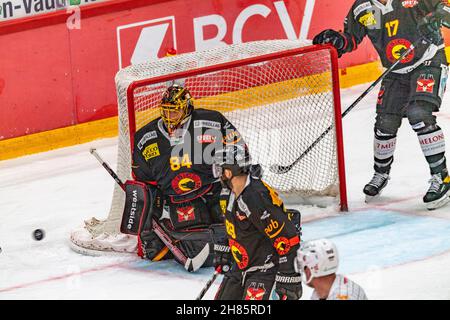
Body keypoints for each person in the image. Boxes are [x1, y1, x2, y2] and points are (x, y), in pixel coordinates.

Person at [313, 0, 450, 209]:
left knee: (419, 112)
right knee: (385, 123)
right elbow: (351, 39)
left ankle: (442, 178)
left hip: (428, 61)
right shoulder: (363, 8)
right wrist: (337, 41)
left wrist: (438, 16)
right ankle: (381, 174)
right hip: (395, 71)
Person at [131, 84, 246, 266]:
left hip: (213, 189)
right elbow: (144, 179)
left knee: (236, 222)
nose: (169, 117)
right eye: (166, 111)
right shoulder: (146, 137)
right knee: (198, 245)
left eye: (174, 112)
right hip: (179, 200)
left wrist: (227, 165)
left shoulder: (212, 121)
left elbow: (239, 148)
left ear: (187, 108)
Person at [212, 145, 302, 300]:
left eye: (219, 170)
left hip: (265, 270)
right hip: (241, 268)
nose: (218, 175)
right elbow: (238, 228)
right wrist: (226, 246)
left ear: (228, 172)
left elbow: (286, 237)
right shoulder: (228, 193)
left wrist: (289, 276)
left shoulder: (256, 197)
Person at [294, 238, 368, 300]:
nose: (304, 271)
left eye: (304, 267)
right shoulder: (321, 293)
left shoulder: (343, 295)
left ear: (313, 269)